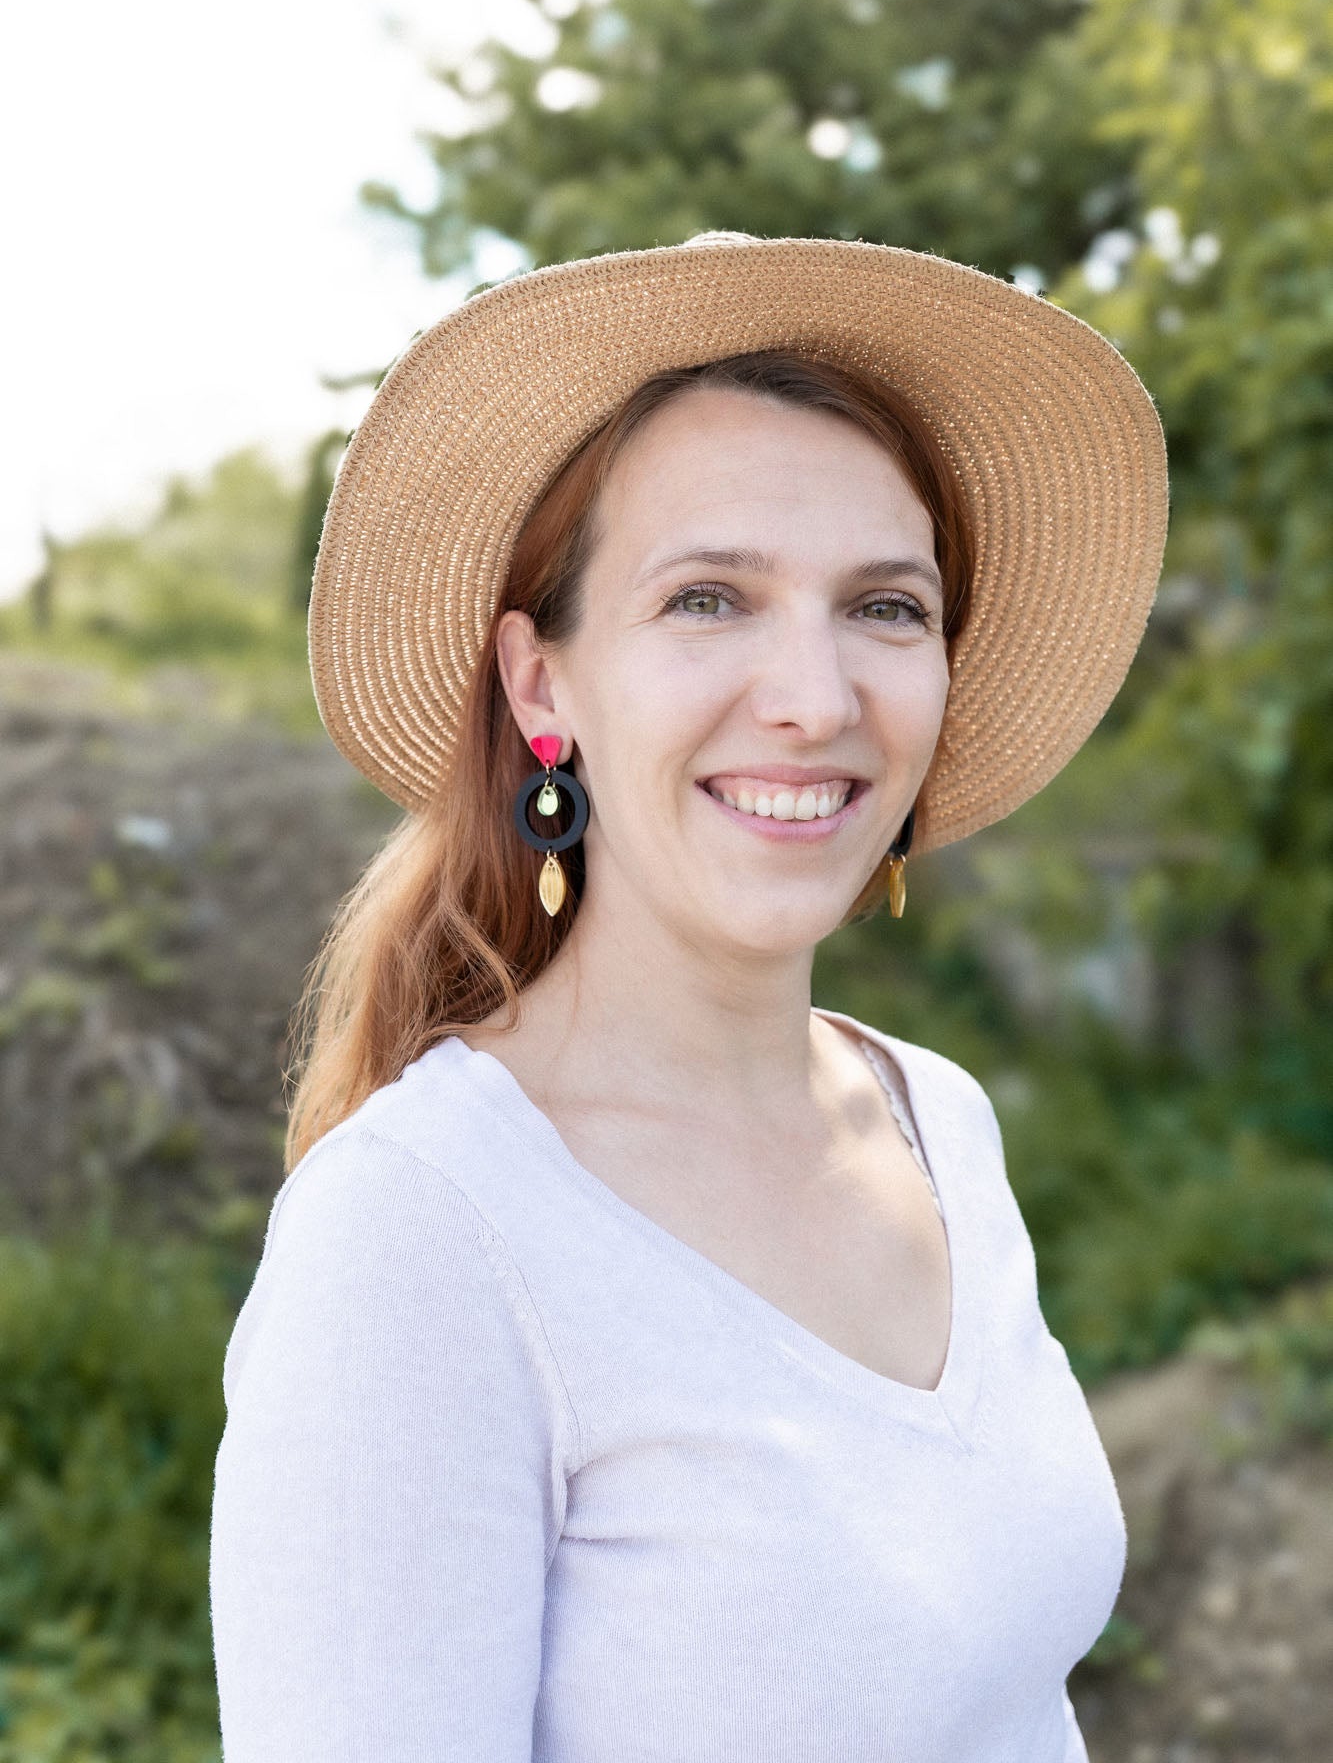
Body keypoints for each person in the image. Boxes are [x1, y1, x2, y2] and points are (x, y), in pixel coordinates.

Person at [209, 231, 1169, 1761]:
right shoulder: (417, 1238)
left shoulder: (940, 1123)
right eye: (710, 599)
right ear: (542, 686)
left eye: (886, 607)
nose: (815, 696)